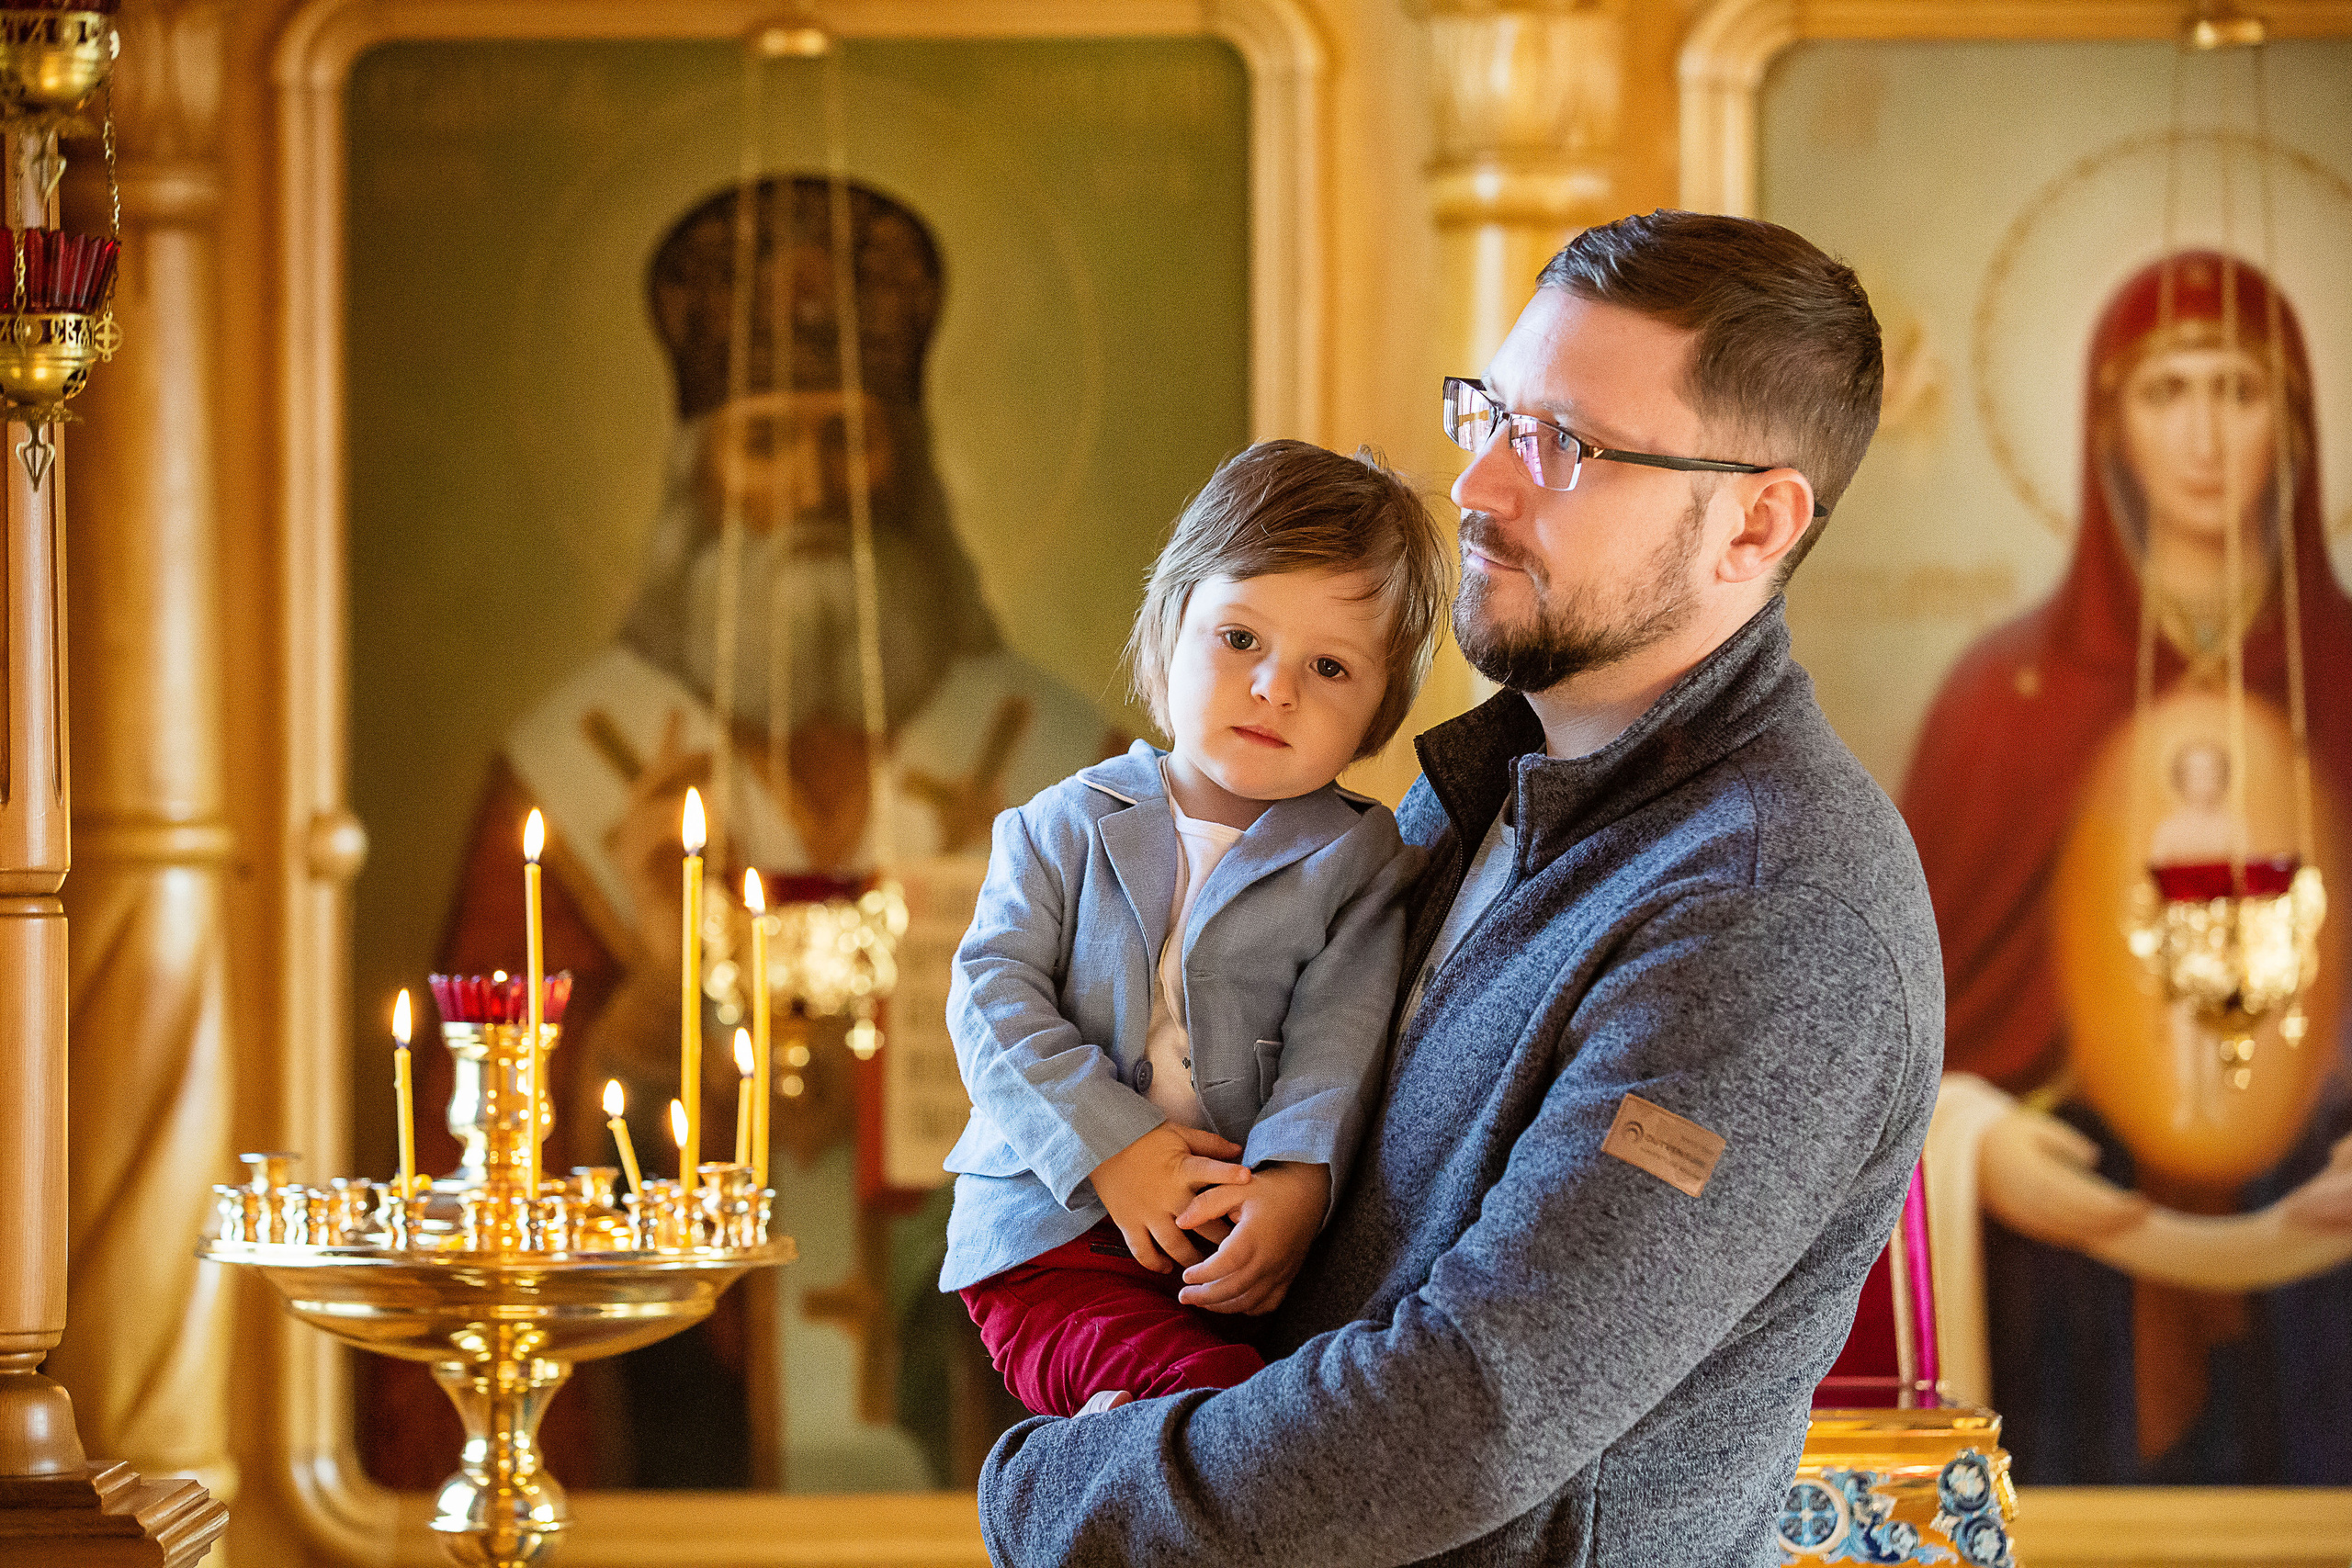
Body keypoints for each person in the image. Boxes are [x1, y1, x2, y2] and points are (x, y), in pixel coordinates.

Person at [978, 209, 1939, 1565]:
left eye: (1565, 445)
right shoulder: (1467, 795)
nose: (1479, 485)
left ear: (1754, 522)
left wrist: (1056, 1491)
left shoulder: (1775, 913)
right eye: (1491, 415)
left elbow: (1469, 1412)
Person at [374, 177, 1120, 1492]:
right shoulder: (571, 770)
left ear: (907, 463)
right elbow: (473, 1155)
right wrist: (640, 1027)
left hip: (983, 1406)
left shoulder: (1056, 756)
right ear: (698, 479)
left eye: (850, 441)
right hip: (672, 1416)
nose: (816, 488)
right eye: (766, 444)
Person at [1905, 253, 2352, 1483]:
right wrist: (1976, 1144)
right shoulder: (2004, 699)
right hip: (2066, 1256)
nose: (2203, 438)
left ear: (2295, 422)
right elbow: (1901, 1030)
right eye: (2166, 392)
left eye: (2237, 391)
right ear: (2109, 426)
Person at [940, 440, 1450, 1416]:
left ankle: (1125, 1442)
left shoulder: (1362, 864)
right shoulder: (1060, 824)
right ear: (1171, 626)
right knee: (1214, 1407)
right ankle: (1116, 1446)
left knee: (1295, 1405)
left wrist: (1294, 1190)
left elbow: (1338, 1045)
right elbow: (991, 1000)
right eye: (1240, 638)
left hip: (1228, 1250)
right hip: (1049, 1236)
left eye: (1330, 667)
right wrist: (1112, 1147)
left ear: (1379, 710)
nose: (1276, 689)